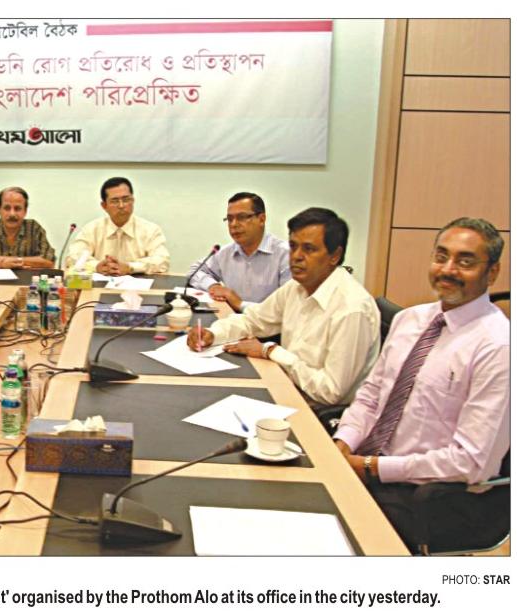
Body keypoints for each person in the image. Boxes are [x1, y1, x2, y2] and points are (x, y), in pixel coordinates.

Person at [332, 218, 509, 552]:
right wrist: (343, 443)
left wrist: (373, 468)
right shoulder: (409, 319)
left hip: (422, 490)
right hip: (367, 461)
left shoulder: (498, 347)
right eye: (441, 257)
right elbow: (371, 396)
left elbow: (471, 462)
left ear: (493, 272)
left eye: (465, 261)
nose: (448, 269)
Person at [189, 207, 379, 407]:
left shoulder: (351, 308)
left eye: (309, 249)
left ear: (335, 256)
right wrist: (212, 334)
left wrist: (271, 351)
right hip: (286, 387)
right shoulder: (296, 287)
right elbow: (253, 320)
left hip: (318, 411)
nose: (296, 256)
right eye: (293, 246)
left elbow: (330, 392)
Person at [186, 192, 290, 311]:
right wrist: (213, 286)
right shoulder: (225, 253)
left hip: (268, 322)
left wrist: (240, 304)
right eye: (230, 219)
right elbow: (194, 271)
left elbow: (286, 309)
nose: (234, 224)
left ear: (261, 219)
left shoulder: (286, 255)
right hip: (231, 319)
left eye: (241, 217)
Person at [64, 177, 170, 275]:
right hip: (99, 286)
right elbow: (73, 257)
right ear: (104, 206)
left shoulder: (150, 230)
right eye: (115, 201)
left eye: (126, 200)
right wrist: (96, 266)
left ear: (133, 201)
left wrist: (130, 267)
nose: (121, 205)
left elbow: (162, 261)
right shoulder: (92, 229)